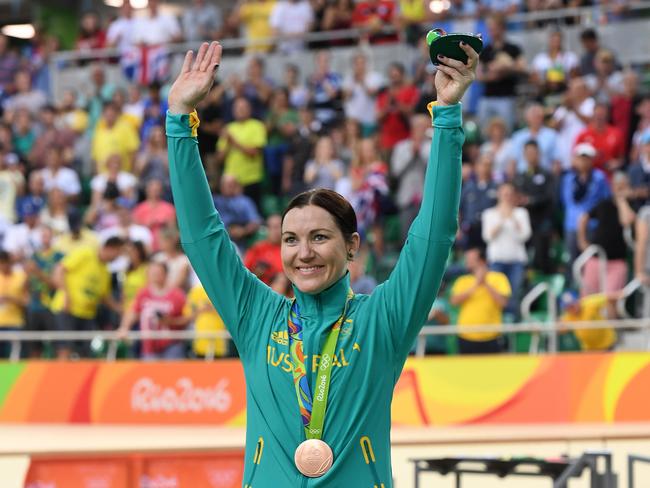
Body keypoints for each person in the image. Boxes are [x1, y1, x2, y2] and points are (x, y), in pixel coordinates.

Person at [166, 40, 475, 486]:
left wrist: (446, 117)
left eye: (319, 237)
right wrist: (179, 120)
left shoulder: (382, 320)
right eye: (290, 239)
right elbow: (201, 237)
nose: (303, 252)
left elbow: (434, 233)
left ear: (351, 246)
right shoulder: (256, 317)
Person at [50, 237, 124, 359]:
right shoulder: (86, 253)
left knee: (85, 354)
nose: (118, 257)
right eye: (118, 252)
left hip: (87, 315)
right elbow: (59, 269)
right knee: (64, 349)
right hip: (67, 310)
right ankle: (61, 377)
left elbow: (105, 296)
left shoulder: (105, 270)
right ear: (111, 248)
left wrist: (119, 309)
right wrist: (65, 294)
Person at [577, 172, 635, 296]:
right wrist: (582, 241)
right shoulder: (604, 204)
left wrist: (621, 200)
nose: (619, 189)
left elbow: (627, 220)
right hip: (596, 258)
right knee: (587, 300)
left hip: (617, 262)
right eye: (617, 186)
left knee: (611, 301)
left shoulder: (632, 206)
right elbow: (583, 218)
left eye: (622, 186)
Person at [118, 261, 187, 360]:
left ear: (165, 274)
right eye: (153, 273)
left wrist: (171, 321)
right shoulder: (143, 293)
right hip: (149, 346)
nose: (155, 276)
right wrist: (124, 327)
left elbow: (187, 317)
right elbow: (133, 312)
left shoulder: (177, 295)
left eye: (158, 273)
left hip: (172, 343)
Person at [481, 182, 531, 317]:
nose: (507, 197)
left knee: (514, 295)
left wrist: (513, 218)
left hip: (516, 261)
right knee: (496, 296)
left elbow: (525, 235)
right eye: (504, 194)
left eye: (510, 194)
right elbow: (487, 237)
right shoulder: (489, 214)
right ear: (499, 195)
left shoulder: (521, 213)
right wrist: (502, 219)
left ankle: (512, 330)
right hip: (496, 260)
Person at [450, 247, 510, 354]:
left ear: (482, 261)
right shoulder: (462, 280)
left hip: (492, 337)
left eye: (471, 259)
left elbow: (503, 302)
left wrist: (485, 283)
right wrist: (476, 284)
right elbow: (454, 301)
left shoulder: (498, 278)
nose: (467, 261)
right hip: (465, 336)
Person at [0, 250, 28, 359]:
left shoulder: (21, 276)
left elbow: (27, 301)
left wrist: (11, 299)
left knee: (15, 359)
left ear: (9, 262)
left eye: (4, 263)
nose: (2, 266)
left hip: (15, 323)